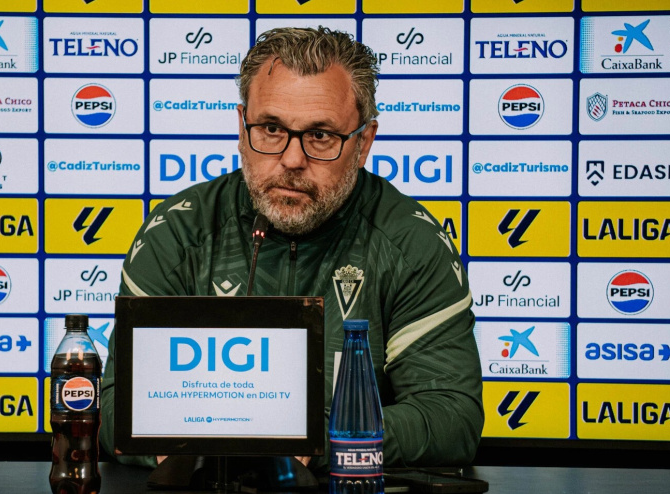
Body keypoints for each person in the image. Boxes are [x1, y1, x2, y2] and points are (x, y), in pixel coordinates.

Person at [100, 26, 483, 470]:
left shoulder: (410, 243)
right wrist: (191, 448)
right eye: (270, 128)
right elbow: (114, 410)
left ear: (364, 142)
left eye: (321, 136)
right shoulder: (179, 234)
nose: (292, 159)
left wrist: (322, 440)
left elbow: (452, 417)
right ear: (242, 130)